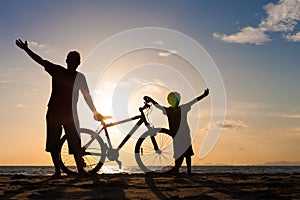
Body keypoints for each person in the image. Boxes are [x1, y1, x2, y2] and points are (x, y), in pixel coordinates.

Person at [16, 39, 107, 177]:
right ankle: (57, 171)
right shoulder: (57, 70)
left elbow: (86, 96)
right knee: (54, 142)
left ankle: (81, 171)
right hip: (54, 112)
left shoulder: (80, 77)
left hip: (70, 114)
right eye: (70, 59)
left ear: (78, 62)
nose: (72, 61)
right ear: (66, 60)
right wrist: (26, 50)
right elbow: (40, 60)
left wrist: (95, 112)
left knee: (75, 141)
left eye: (75, 59)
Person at [144, 89, 209, 175]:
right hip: (176, 135)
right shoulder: (170, 110)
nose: (174, 101)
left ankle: (187, 171)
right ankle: (178, 170)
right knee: (179, 154)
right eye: (172, 100)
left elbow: (194, 101)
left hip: (183, 133)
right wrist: (151, 100)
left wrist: (204, 95)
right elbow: (158, 106)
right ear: (169, 101)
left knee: (186, 154)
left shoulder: (182, 108)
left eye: (175, 99)